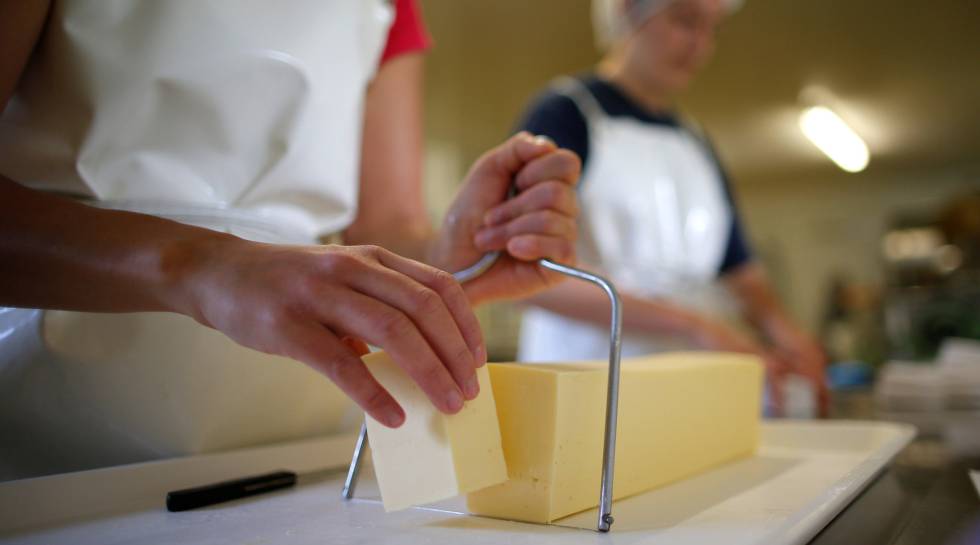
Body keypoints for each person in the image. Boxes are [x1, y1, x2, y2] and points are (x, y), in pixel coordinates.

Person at [0, 0, 581, 478]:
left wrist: (452, 261)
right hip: (58, 420)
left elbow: (387, 225)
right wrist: (205, 264)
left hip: (301, 421)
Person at [514, 0, 826, 415]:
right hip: (583, 392)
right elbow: (526, 274)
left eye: (712, 29)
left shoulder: (696, 143)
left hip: (682, 395)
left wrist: (791, 339)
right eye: (685, 21)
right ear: (628, 12)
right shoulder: (565, 115)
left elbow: (742, 275)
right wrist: (694, 326)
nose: (701, 45)